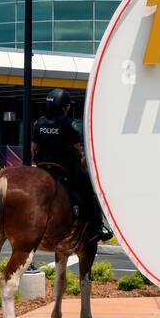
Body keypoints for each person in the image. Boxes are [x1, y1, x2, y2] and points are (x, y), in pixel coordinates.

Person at [30, 89, 113, 243]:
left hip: (42, 167)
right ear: (64, 107)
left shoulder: (38, 123)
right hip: (64, 168)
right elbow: (77, 148)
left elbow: (33, 147)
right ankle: (97, 228)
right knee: (90, 190)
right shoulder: (70, 124)